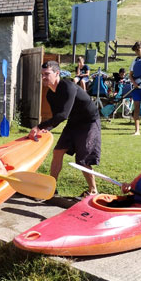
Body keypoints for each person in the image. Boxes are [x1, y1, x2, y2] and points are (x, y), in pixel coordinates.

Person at [28, 61, 101, 197]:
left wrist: (39, 126)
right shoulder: (50, 95)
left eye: (47, 74)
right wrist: (46, 128)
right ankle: (51, 188)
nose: (43, 77)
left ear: (57, 73)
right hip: (73, 123)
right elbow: (57, 116)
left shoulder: (68, 87)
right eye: (42, 74)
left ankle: (93, 191)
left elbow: (63, 115)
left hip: (88, 122)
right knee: (57, 152)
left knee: (82, 159)